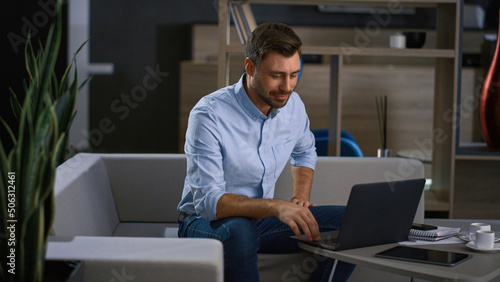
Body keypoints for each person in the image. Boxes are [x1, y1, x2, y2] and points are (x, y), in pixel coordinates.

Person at [177, 22, 355, 282]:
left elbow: (304, 151)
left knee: (353, 224)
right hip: (203, 222)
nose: (287, 86)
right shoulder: (209, 115)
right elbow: (209, 202)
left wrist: (299, 199)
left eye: (294, 74)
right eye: (277, 75)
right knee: (239, 232)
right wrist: (275, 207)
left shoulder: (293, 105)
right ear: (250, 67)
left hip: (259, 222)